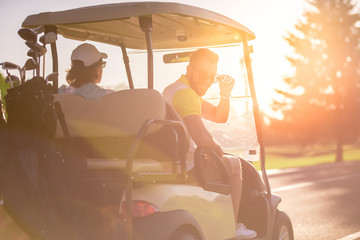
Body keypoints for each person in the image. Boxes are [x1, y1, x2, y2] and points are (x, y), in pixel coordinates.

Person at [163, 48, 257, 239]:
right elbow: (202, 138)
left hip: (174, 159)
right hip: (188, 165)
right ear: (189, 68)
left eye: (212, 77)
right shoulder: (187, 95)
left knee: (223, 159)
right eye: (204, 74)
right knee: (234, 164)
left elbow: (218, 116)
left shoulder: (175, 89)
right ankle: (233, 226)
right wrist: (219, 150)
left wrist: (225, 95)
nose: (207, 81)